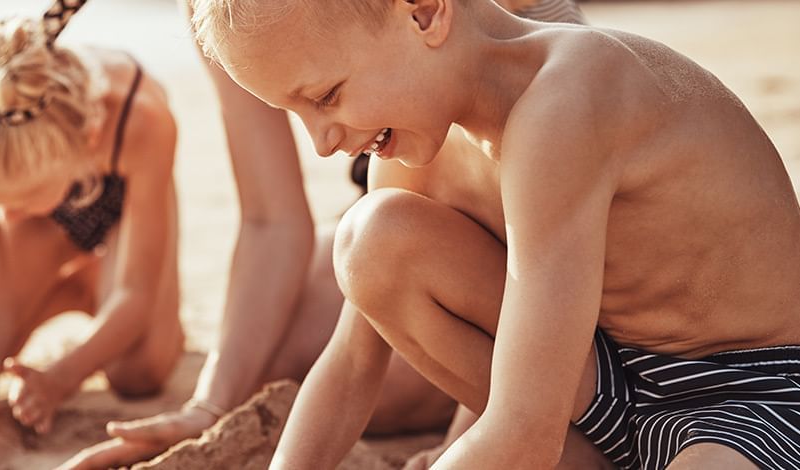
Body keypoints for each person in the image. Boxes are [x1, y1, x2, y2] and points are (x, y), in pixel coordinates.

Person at [191, 0, 800, 469]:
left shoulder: (570, 95)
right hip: (599, 388)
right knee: (371, 239)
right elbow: (351, 365)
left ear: (425, 13)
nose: (322, 143)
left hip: (753, 389)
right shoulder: (413, 156)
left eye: (325, 96)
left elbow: (522, 427)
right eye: (296, 114)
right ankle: (591, 458)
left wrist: (513, 445)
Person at [60, 1, 588, 469]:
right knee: (295, 345)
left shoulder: (540, 91)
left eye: (324, 96)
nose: (317, 144)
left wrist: (466, 438)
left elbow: (535, 253)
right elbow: (272, 221)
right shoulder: (220, 12)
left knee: (446, 368)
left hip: (517, 186)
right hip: (399, 166)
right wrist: (212, 406)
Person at [0, 0, 183, 440]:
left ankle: (94, 283)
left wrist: (62, 377)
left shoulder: (141, 120)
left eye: (24, 198)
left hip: (123, 214)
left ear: (87, 142)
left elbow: (135, 292)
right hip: (44, 232)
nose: (7, 214)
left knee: (138, 373)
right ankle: (68, 290)